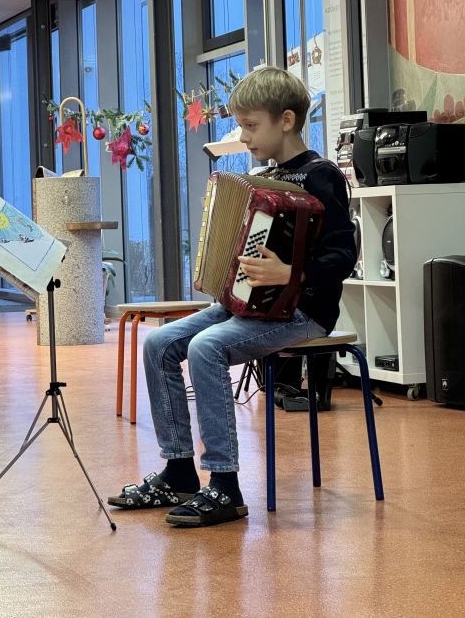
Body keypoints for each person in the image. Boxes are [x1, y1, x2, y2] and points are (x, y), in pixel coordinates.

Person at [108, 67, 356, 527]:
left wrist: (292, 274)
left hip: (302, 311)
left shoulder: (321, 176)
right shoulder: (264, 177)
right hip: (248, 306)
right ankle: (179, 472)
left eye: (251, 125)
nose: (243, 137)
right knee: (158, 343)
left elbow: (344, 254)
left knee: (206, 347)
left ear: (286, 120)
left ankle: (225, 484)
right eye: (241, 126)